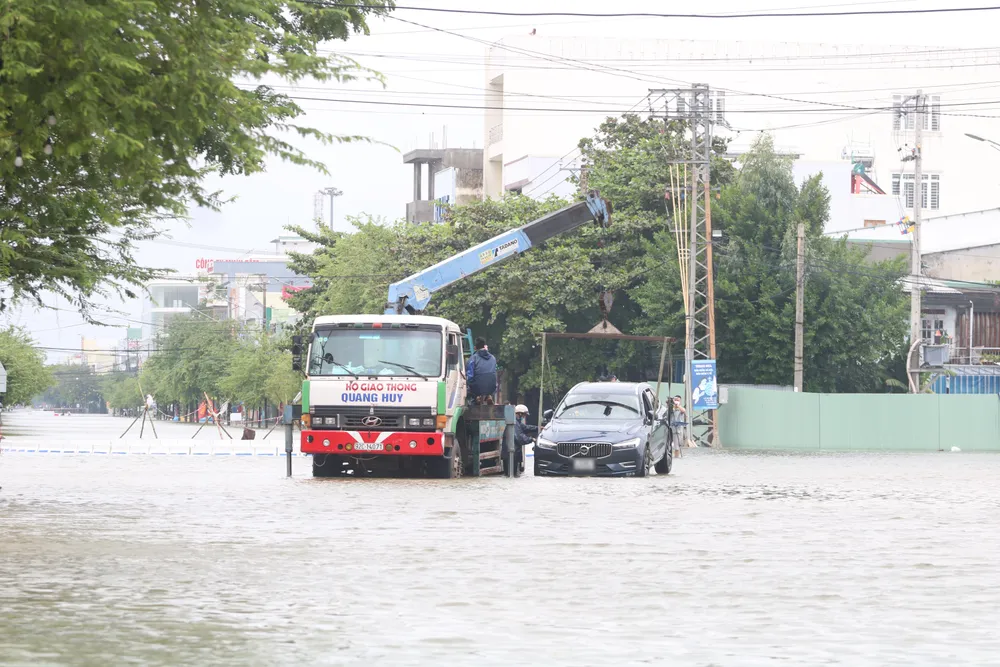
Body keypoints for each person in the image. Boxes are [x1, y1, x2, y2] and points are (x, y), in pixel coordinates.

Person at [466, 337, 497, 405]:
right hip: (492, 387)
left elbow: (470, 376)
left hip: (478, 388)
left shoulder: (473, 358)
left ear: (475, 348)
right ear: (484, 346)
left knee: (469, 385)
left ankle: (477, 397)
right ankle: (489, 396)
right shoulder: (493, 358)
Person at [513, 405, 537, 476]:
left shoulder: (518, 422)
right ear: (520, 413)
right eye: (524, 415)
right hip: (514, 453)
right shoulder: (515, 423)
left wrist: (538, 428)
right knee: (514, 474)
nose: (524, 417)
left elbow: (526, 428)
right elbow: (520, 438)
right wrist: (531, 439)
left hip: (516, 452)